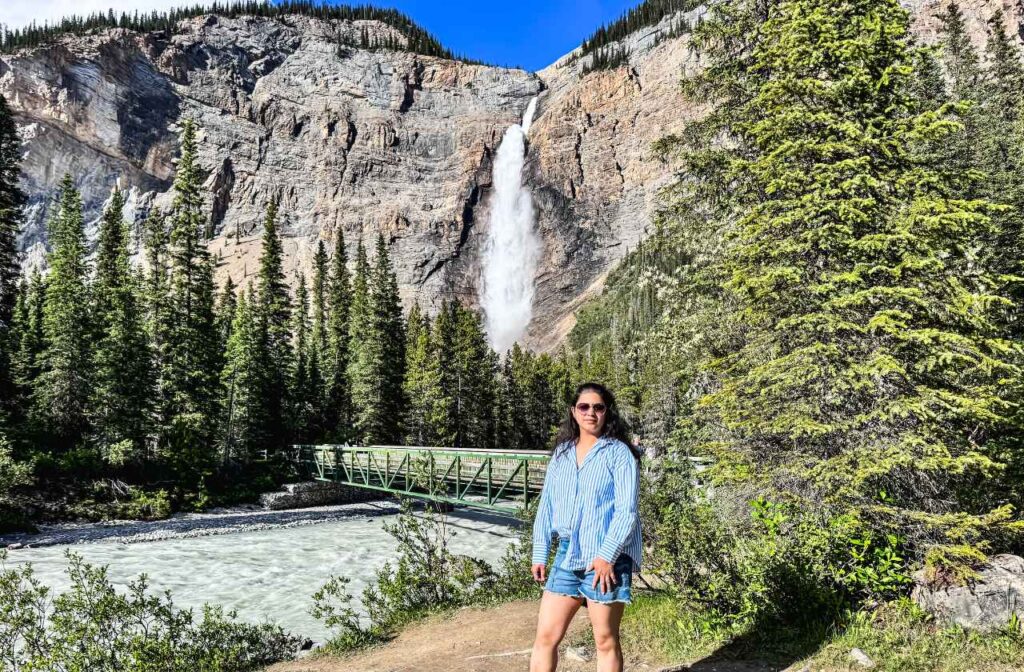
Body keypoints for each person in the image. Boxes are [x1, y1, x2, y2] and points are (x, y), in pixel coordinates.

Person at [529, 382, 642, 672]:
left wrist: (607, 556)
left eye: (598, 407)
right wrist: (540, 551)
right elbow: (546, 505)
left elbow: (626, 511)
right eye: (584, 406)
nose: (591, 412)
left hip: (608, 556)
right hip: (567, 553)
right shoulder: (562, 454)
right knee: (546, 637)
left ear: (607, 412)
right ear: (574, 411)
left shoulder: (618, 454)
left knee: (604, 640)